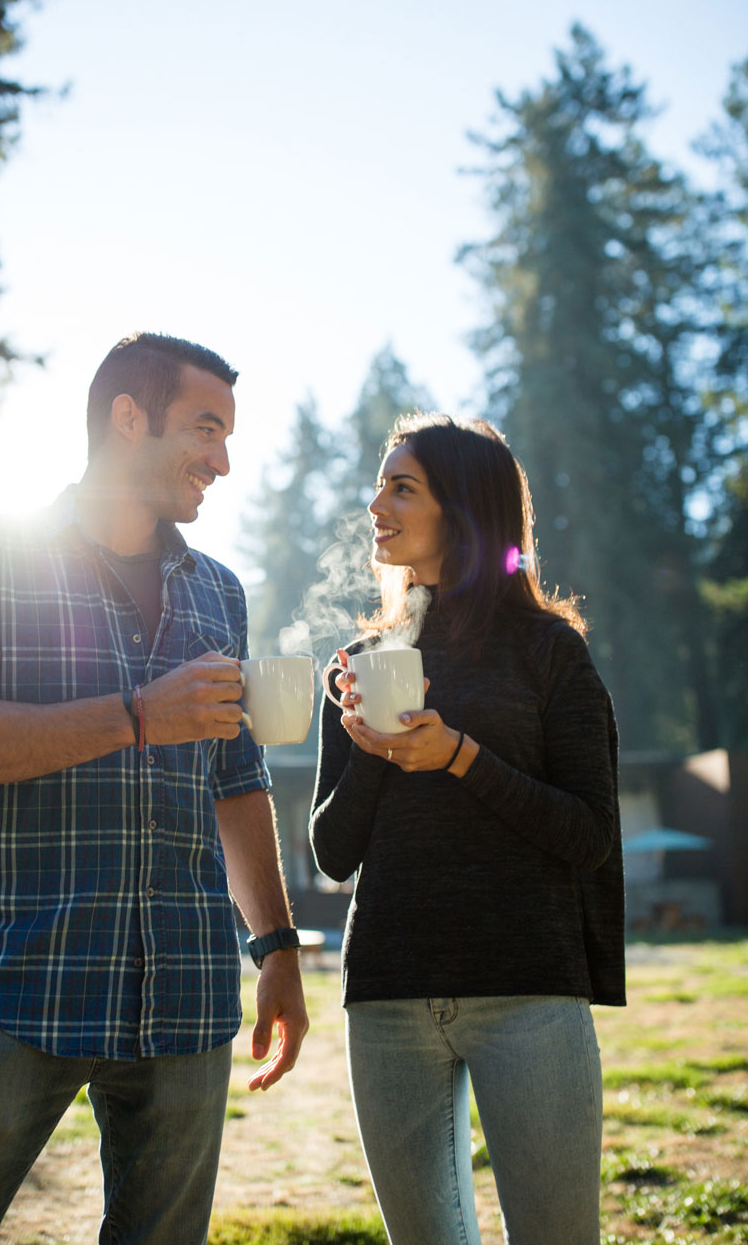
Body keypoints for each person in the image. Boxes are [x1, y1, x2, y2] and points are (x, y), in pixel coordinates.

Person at [0, 332, 308, 1245]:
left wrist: (277, 947)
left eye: (228, 436)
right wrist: (135, 714)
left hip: (187, 999)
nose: (224, 461)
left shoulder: (218, 591)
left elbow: (236, 777)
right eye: (205, 428)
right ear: (126, 418)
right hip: (20, 984)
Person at [309, 412, 624, 1245]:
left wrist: (459, 757)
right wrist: (369, 744)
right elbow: (333, 855)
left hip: (529, 994)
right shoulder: (358, 662)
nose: (376, 502)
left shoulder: (550, 652)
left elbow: (589, 833)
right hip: (386, 998)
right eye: (379, 483)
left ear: (465, 508)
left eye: (400, 486)